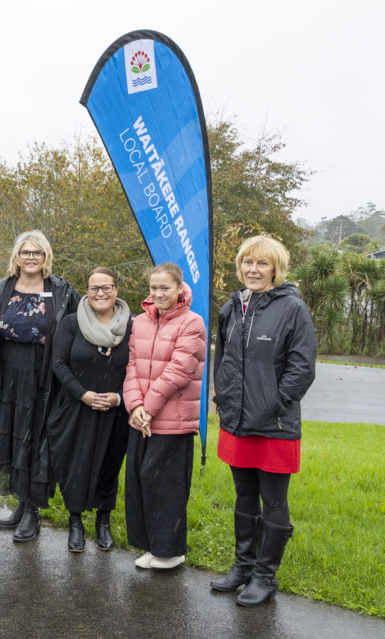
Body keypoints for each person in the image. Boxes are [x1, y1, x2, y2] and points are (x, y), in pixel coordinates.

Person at [211, 235, 316, 606]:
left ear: (276, 269)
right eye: (247, 263)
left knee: (273, 501)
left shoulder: (292, 309)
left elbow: (302, 370)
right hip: (236, 421)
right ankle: (243, 566)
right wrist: (222, 397)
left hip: (274, 425)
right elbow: (222, 357)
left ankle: (265, 577)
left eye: (262, 264)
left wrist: (273, 404)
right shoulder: (231, 307)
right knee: (243, 494)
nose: (253, 270)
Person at [0, 230, 81, 543]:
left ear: (47, 257)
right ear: (16, 256)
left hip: (42, 378)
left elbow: (79, 328)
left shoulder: (62, 291)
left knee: (34, 439)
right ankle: (20, 503)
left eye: (37, 253)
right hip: (5, 376)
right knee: (11, 438)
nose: (31, 258)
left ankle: (33, 511)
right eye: (26, 252)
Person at [123, 262, 207, 570]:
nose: (158, 293)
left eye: (164, 288)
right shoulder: (140, 322)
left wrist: (149, 407)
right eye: (153, 288)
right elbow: (131, 365)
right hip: (141, 416)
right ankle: (151, 545)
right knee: (139, 482)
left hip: (172, 419)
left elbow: (179, 371)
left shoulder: (193, 322)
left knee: (165, 485)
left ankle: (171, 552)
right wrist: (135, 406)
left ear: (179, 288)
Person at [47, 267, 133, 553]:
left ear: (116, 290)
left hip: (115, 412)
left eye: (106, 287)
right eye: (94, 288)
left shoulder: (133, 326)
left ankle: (103, 521)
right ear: (87, 291)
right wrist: (83, 394)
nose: (100, 294)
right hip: (75, 409)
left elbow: (139, 369)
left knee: (109, 467)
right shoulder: (72, 323)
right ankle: (75, 522)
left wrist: (119, 398)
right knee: (75, 466)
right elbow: (58, 363)